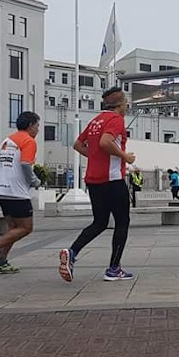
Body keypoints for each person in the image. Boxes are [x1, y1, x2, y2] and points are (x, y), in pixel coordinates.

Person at [59, 87, 136, 283]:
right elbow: (105, 142)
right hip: (112, 180)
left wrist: (92, 156)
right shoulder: (116, 120)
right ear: (120, 104)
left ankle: (72, 251)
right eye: (126, 103)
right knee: (122, 223)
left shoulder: (95, 120)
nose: (127, 107)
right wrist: (124, 156)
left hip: (93, 180)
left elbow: (77, 144)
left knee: (100, 222)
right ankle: (114, 268)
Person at [0, 111, 41, 274]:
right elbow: (26, 165)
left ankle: (1, 261)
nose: (38, 129)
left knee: (13, 227)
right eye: (37, 125)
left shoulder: (8, 140)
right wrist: (34, 181)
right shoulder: (28, 141)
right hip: (17, 192)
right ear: (30, 126)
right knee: (26, 228)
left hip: (1, 190)